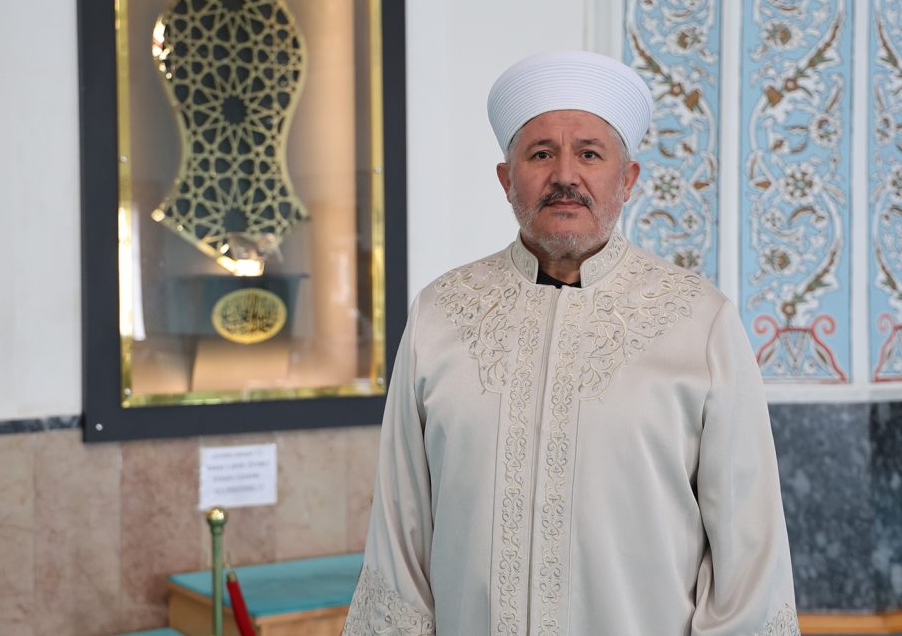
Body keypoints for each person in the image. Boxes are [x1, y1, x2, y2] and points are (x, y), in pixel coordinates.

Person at [342, 51, 799, 635]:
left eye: (589, 153)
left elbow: (749, 551)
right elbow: (401, 535)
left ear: (627, 179)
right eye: (540, 154)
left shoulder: (699, 321)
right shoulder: (441, 315)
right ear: (507, 180)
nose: (565, 175)